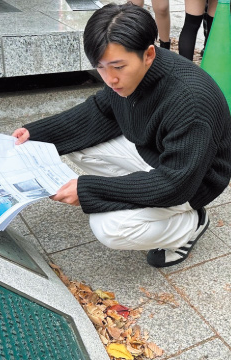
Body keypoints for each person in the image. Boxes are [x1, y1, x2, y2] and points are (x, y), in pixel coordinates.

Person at [12, 2, 231, 268]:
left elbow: (176, 184)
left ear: (149, 54)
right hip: (156, 156)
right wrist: (34, 134)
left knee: (109, 228)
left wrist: (91, 189)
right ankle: (142, 200)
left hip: (193, 182)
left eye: (118, 67)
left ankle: (191, 225)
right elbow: (98, 113)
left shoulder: (190, 101)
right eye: (101, 67)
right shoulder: (132, 75)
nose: (110, 79)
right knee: (77, 143)